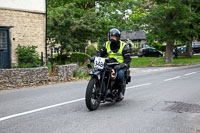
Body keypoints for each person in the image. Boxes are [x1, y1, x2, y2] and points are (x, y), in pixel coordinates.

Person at [91, 28, 132, 100]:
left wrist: (123, 64)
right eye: (111, 36)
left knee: (120, 74)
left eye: (114, 36)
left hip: (120, 65)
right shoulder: (106, 44)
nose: (112, 38)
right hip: (109, 63)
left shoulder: (124, 46)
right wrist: (95, 57)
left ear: (118, 37)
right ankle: (102, 89)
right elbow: (101, 53)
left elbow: (128, 58)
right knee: (101, 72)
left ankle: (120, 92)